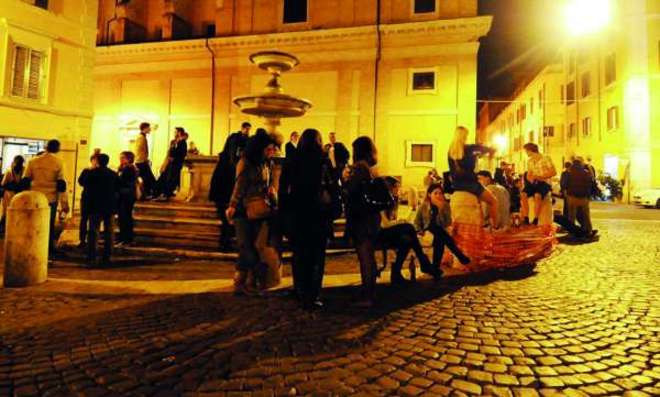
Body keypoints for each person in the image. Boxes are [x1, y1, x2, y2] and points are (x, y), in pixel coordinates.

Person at [285, 129, 339, 309]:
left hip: (299, 212)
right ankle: (314, 294)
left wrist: (284, 214)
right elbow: (333, 186)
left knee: (299, 254)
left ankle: (300, 290)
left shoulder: (292, 160)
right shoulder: (323, 160)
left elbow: (284, 188)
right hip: (319, 214)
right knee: (317, 256)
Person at [226, 130, 280, 294]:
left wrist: (270, 192)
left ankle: (248, 281)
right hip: (244, 209)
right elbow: (239, 185)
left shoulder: (266, 163)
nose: (271, 152)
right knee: (246, 247)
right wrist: (232, 206)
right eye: (268, 149)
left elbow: (265, 183)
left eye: (272, 149)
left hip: (260, 208)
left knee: (255, 247)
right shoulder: (246, 162)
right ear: (259, 148)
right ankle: (240, 283)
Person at [378, 176, 438, 285]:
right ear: (389, 188)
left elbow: (392, 223)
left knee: (407, 239)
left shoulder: (393, 201)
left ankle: (396, 273)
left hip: (388, 233)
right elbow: (385, 224)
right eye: (396, 187)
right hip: (380, 234)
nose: (399, 190)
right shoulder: (381, 202)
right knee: (409, 228)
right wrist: (400, 223)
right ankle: (424, 263)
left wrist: (400, 222)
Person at [345, 136, 381, 307]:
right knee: (369, 255)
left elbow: (353, 192)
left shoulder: (359, 168)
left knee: (365, 256)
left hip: (362, 218)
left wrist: (346, 183)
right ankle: (369, 291)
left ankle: (368, 295)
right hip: (371, 217)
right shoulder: (370, 168)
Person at [209, 121, 251, 252]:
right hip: (225, 196)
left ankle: (225, 243)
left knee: (226, 221)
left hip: (221, 195)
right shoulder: (233, 164)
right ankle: (225, 243)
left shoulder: (224, 161)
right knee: (229, 221)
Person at [23, 139, 69, 255]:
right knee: (48, 225)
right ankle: (47, 248)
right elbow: (61, 184)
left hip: (34, 197)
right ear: (58, 149)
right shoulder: (59, 162)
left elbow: (26, 179)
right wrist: (64, 202)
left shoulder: (32, 161)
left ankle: (31, 246)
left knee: (32, 223)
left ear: (46, 147)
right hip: (50, 199)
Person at [447, 126, 498, 228]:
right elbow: (489, 149)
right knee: (493, 201)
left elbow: (454, 172)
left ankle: (483, 224)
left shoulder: (450, 152)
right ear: (464, 136)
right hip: (471, 185)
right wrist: (490, 152)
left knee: (479, 203)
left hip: (457, 185)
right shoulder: (470, 148)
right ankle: (495, 227)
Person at [415, 183, 470, 268]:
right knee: (438, 232)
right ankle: (459, 254)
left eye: (440, 193)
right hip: (427, 232)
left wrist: (440, 210)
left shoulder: (445, 206)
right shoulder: (424, 206)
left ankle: (435, 267)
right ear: (429, 195)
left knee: (439, 236)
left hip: (440, 232)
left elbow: (447, 223)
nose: (438, 195)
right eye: (435, 193)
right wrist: (419, 230)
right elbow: (416, 222)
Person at [82, 154, 119, 266]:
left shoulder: (91, 173)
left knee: (93, 232)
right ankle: (107, 256)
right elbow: (118, 188)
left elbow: (83, 183)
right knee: (109, 232)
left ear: (97, 161)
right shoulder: (113, 174)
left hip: (94, 206)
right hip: (109, 206)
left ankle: (92, 257)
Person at [521, 143, 556, 225]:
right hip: (533, 182)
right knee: (523, 194)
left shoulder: (546, 158)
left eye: (526, 151)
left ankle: (536, 218)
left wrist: (541, 177)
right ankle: (526, 217)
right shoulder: (529, 161)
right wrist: (530, 179)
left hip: (544, 182)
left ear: (530, 150)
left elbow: (553, 172)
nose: (526, 153)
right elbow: (529, 173)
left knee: (537, 195)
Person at [565, 158, 597, 239]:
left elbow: (565, 184)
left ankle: (571, 232)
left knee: (571, 216)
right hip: (583, 198)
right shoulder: (586, 173)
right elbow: (591, 182)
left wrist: (567, 193)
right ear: (581, 164)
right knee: (586, 215)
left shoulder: (569, 173)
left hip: (571, 197)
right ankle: (588, 230)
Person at [155, 127, 188, 200]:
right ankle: (163, 193)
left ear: (179, 132)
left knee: (171, 179)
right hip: (172, 163)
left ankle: (166, 194)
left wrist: (174, 158)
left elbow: (182, 154)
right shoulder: (176, 141)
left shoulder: (182, 142)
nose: (174, 133)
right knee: (166, 178)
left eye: (175, 132)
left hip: (175, 164)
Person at [76, 154, 99, 248]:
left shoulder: (100, 172)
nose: (96, 162)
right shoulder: (87, 171)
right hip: (86, 198)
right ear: (91, 160)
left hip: (96, 199)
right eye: (94, 160)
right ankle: (82, 240)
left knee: (93, 221)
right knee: (84, 219)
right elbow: (81, 181)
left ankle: (91, 241)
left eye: (97, 160)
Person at [116, 151, 138, 247]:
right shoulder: (127, 168)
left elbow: (121, 181)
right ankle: (125, 238)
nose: (120, 159)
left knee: (124, 217)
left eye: (123, 158)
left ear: (129, 159)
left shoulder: (129, 169)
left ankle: (125, 239)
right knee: (125, 217)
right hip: (127, 195)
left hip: (126, 196)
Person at [1, 155, 26, 232]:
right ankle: (3, 229)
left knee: (17, 213)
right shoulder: (9, 171)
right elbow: (3, 184)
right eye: (17, 163)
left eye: (20, 163)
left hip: (19, 195)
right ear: (14, 162)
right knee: (6, 213)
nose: (18, 165)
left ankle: (13, 228)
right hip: (9, 195)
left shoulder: (24, 170)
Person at [135, 122, 156, 199]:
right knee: (147, 178)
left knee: (148, 178)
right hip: (141, 161)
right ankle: (148, 194)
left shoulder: (142, 137)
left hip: (141, 161)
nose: (150, 129)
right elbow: (139, 150)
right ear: (145, 128)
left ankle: (149, 193)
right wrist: (144, 160)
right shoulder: (141, 137)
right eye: (149, 128)